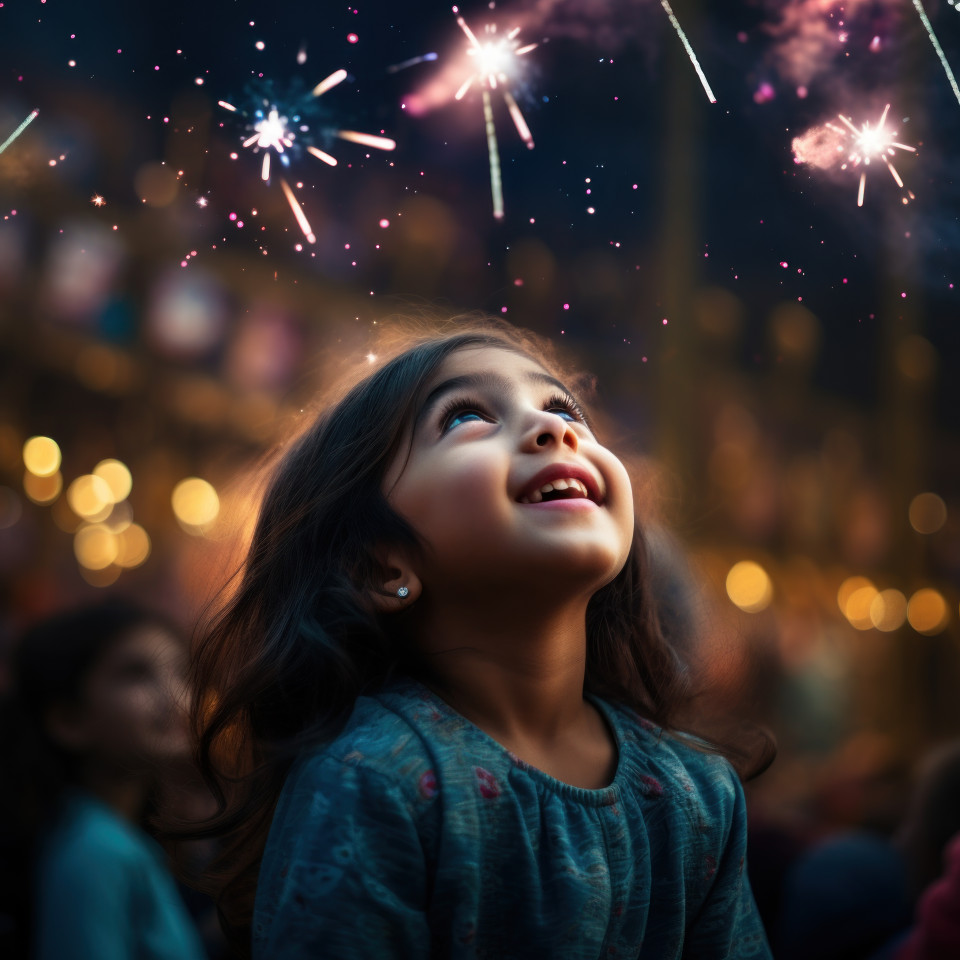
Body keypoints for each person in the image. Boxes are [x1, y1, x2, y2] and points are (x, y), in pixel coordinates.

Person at [187, 317, 773, 959]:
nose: (557, 429)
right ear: (379, 566)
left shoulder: (699, 794)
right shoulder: (373, 782)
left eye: (562, 407)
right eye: (465, 417)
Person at [1, 599, 207, 960]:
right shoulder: (98, 852)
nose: (174, 694)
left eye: (181, 672)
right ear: (69, 720)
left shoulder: (104, 835)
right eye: (137, 673)